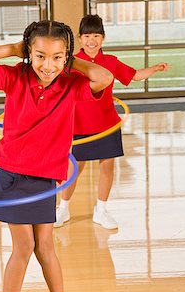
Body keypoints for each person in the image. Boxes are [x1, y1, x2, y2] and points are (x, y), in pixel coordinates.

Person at [0, 20, 113, 292]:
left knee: (46, 245)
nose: (49, 65)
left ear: (67, 58)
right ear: (29, 53)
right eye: (41, 56)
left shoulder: (71, 83)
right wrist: (16, 50)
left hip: (46, 177)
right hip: (13, 173)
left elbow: (103, 78)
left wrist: (69, 61)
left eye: (57, 57)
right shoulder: (15, 76)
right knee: (25, 246)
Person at [55, 14, 169, 229]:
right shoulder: (70, 62)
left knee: (107, 167)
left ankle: (102, 210)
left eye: (96, 35)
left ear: (103, 38)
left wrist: (154, 68)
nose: (91, 41)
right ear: (79, 39)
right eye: (87, 35)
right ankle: (63, 209)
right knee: (73, 169)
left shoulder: (110, 62)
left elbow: (133, 75)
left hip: (106, 124)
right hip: (79, 125)